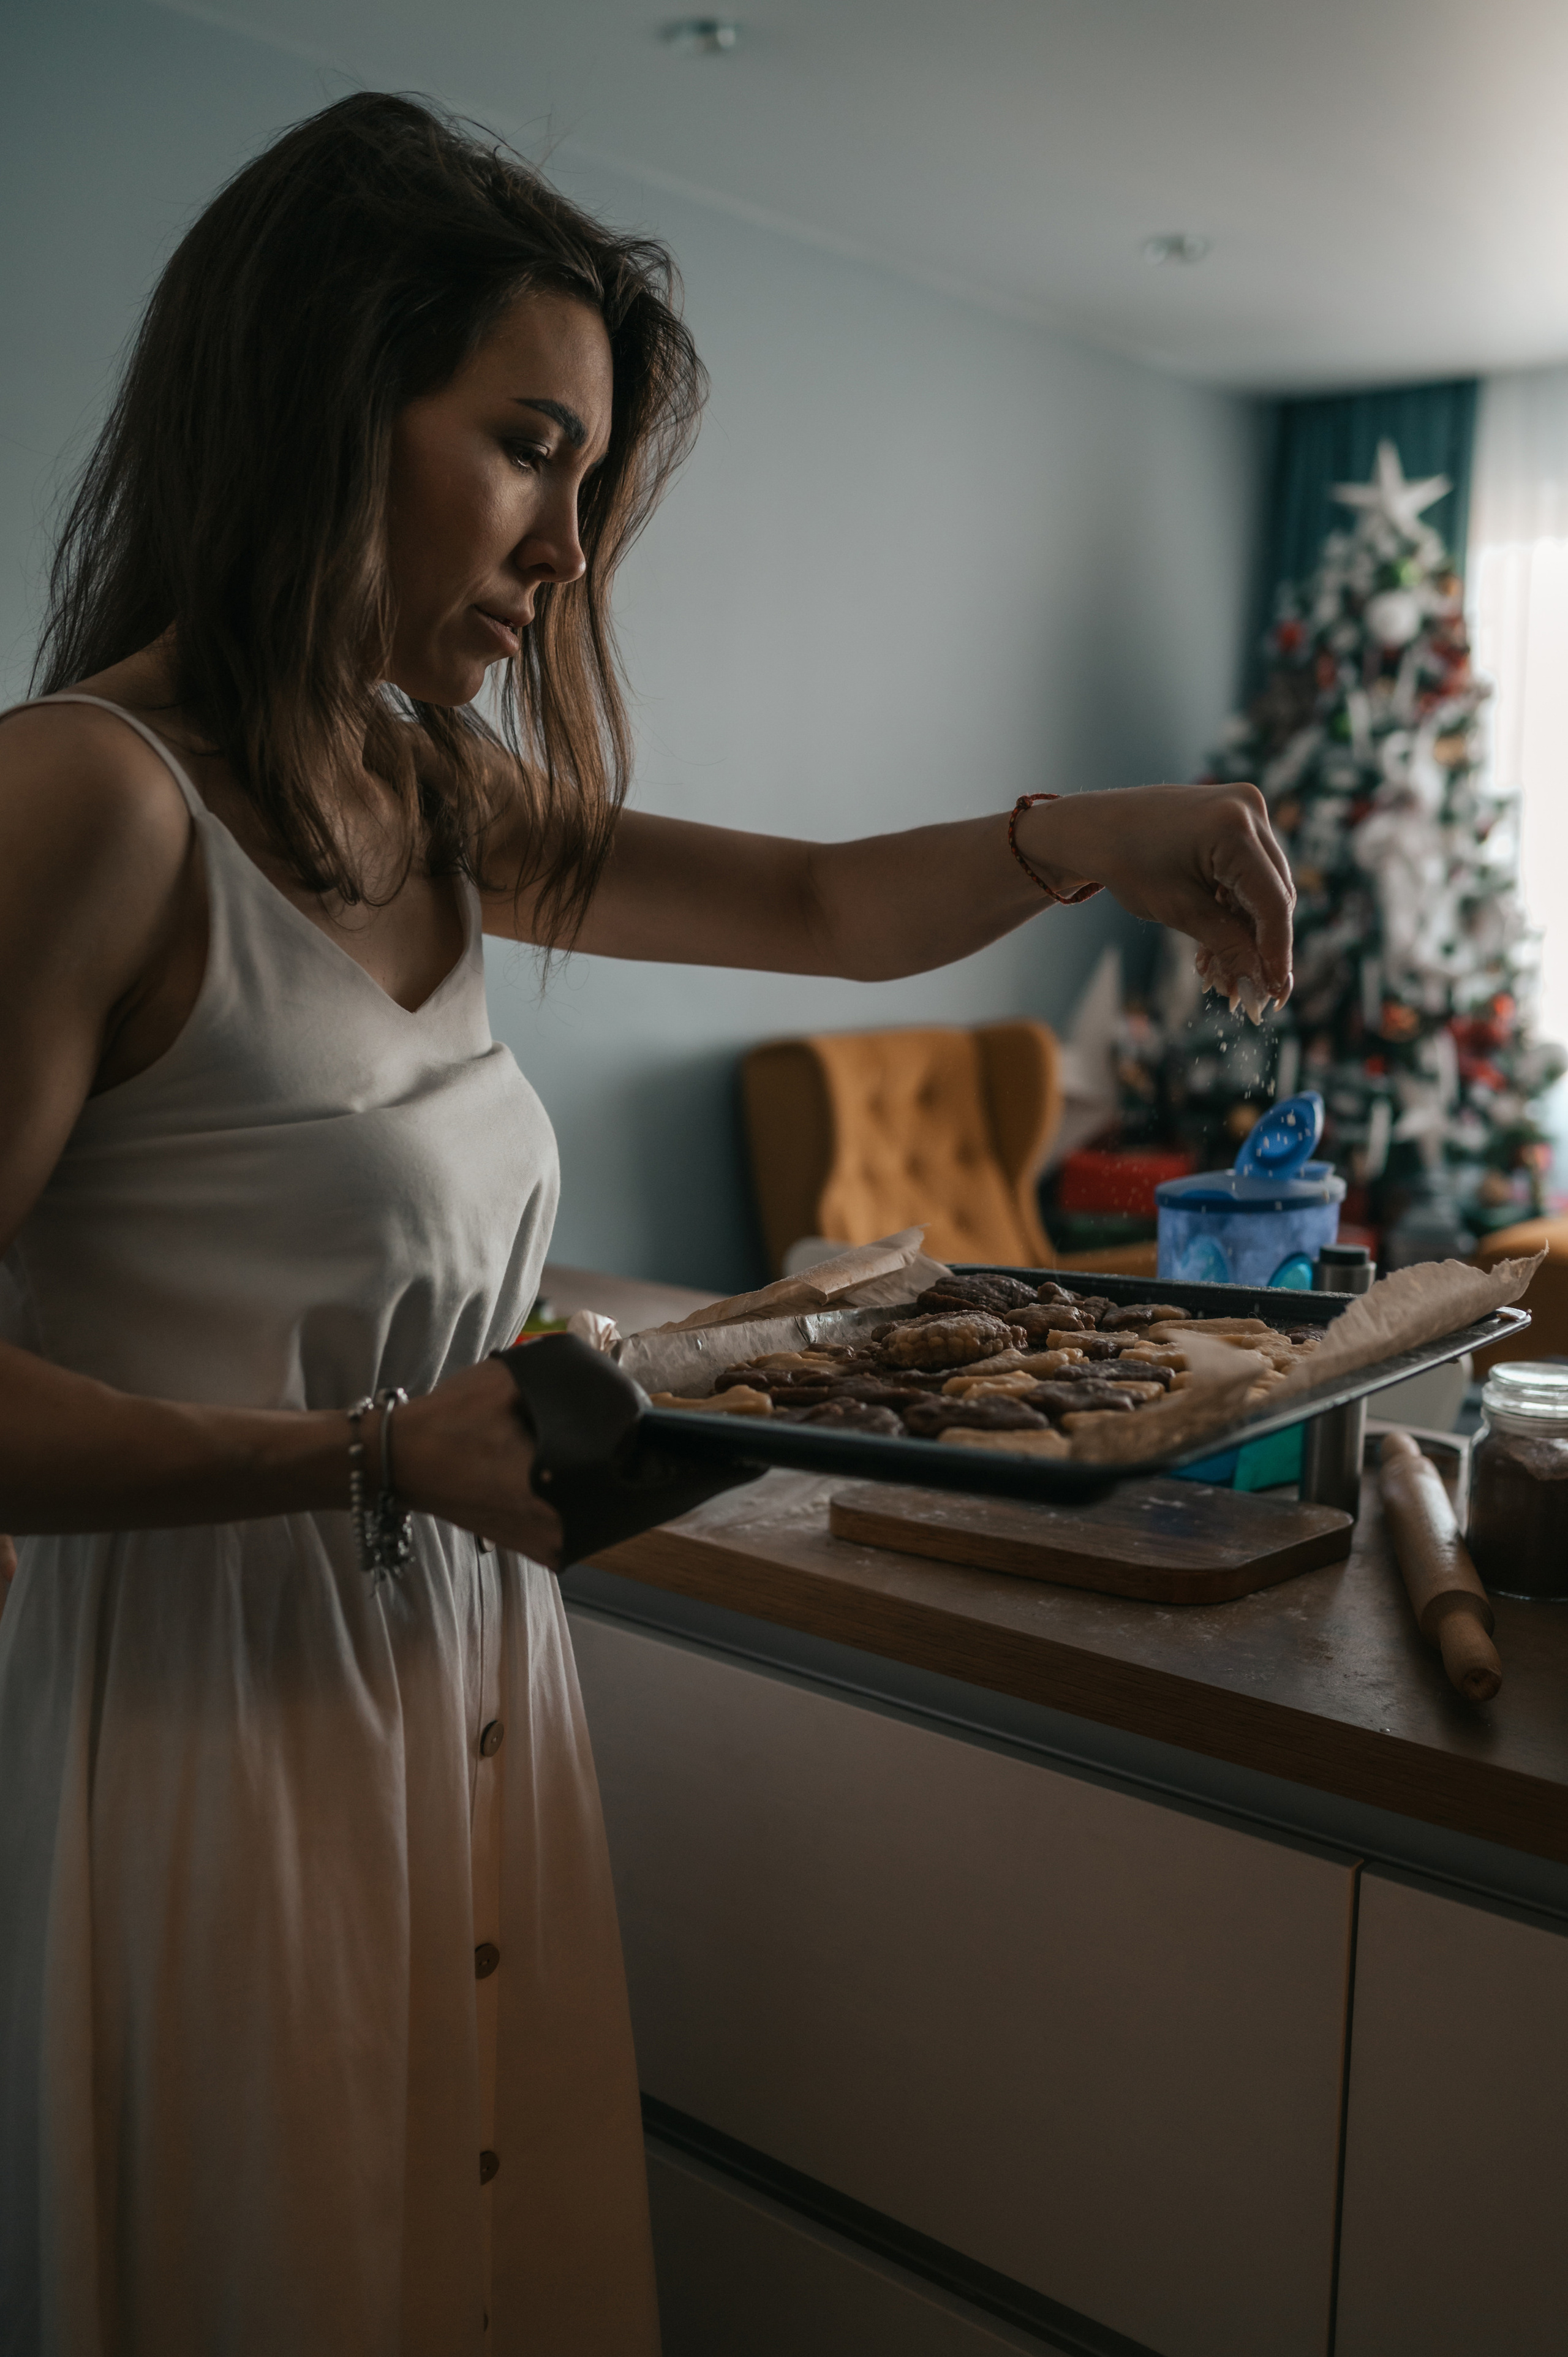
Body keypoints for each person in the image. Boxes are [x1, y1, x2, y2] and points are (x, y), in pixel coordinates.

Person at [0, 92, 1294, 2357]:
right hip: (202, 1740)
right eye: (525, 450)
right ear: (320, 402)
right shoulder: (85, 803)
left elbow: (811, 902)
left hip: (475, 1689)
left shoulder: (421, 786)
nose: (566, 548)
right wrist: (378, 1457)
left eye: (589, 484)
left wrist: (1101, 828)